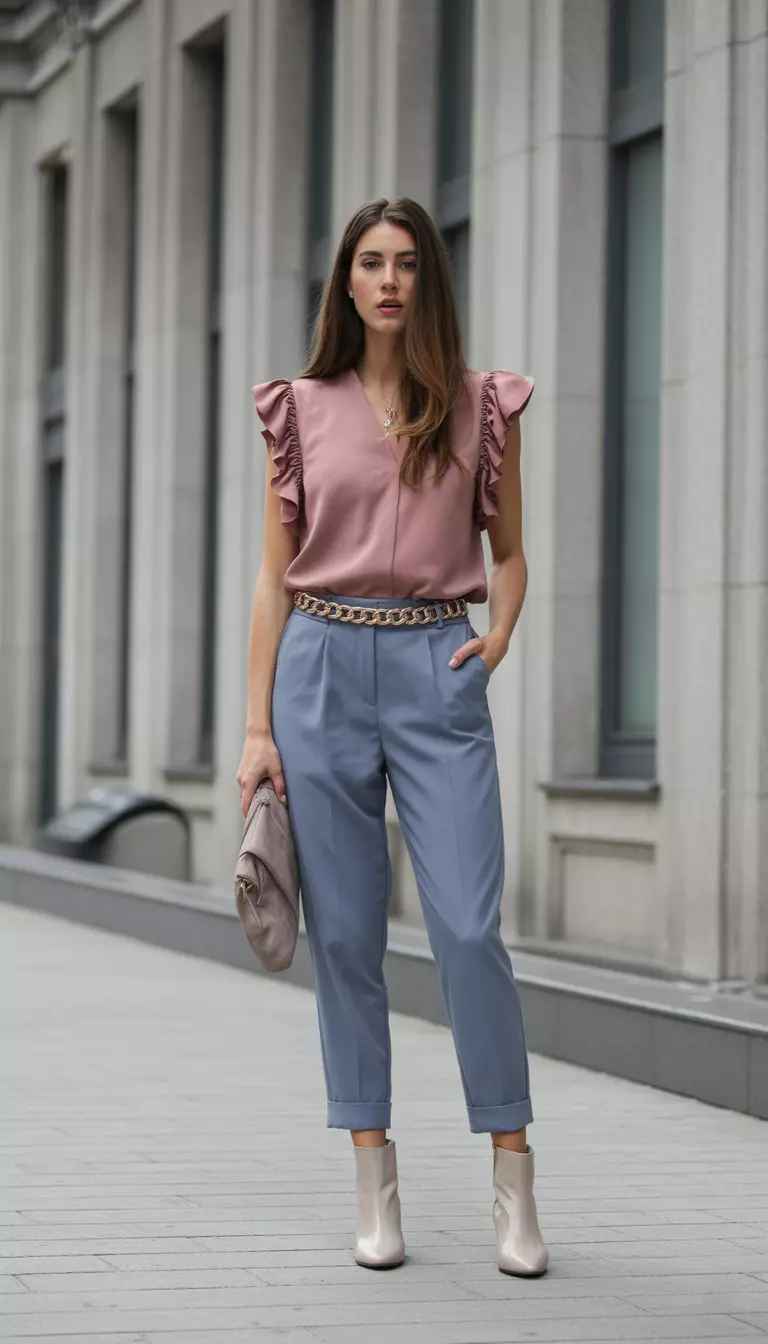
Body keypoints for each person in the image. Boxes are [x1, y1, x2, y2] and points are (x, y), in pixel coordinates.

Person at [237, 197, 548, 1278]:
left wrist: (497, 637)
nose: (388, 281)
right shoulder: (299, 408)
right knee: (345, 938)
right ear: (346, 281)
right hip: (320, 667)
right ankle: (375, 1179)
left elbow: (509, 553)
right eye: (370, 263)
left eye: (407, 263)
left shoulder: (480, 405)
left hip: (435, 665)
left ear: (429, 281)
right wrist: (256, 728)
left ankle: (513, 1173)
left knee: (467, 926)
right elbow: (274, 580)